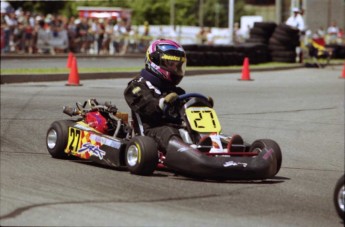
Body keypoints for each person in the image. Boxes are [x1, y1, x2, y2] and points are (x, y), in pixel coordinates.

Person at [124, 39, 208, 154]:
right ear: (155, 61)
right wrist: (162, 103)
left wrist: (199, 105)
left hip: (177, 130)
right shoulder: (136, 86)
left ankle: (216, 145)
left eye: (178, 65)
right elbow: (148, 106)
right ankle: (191, 154)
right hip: (150, 133)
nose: (175, 69)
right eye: (170, 64)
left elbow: (186, 112)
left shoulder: (175, 90)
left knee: (195, 129)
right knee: (169, 132)